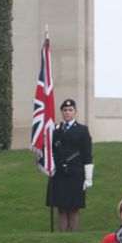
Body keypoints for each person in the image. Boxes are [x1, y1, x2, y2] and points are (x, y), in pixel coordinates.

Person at [46, 98, 93, 232]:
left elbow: (87, 154)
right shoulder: (55, 129)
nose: (67, 113)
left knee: (73, 207)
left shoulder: (82, 130)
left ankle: (74, 236)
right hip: (59, 173)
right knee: (61, 207)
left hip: (76, 173)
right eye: (65, 110)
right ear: (61, 112)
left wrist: (88, 177)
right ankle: (62, 237)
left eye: (70, 110)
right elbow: (49, 149)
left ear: (75, 112)